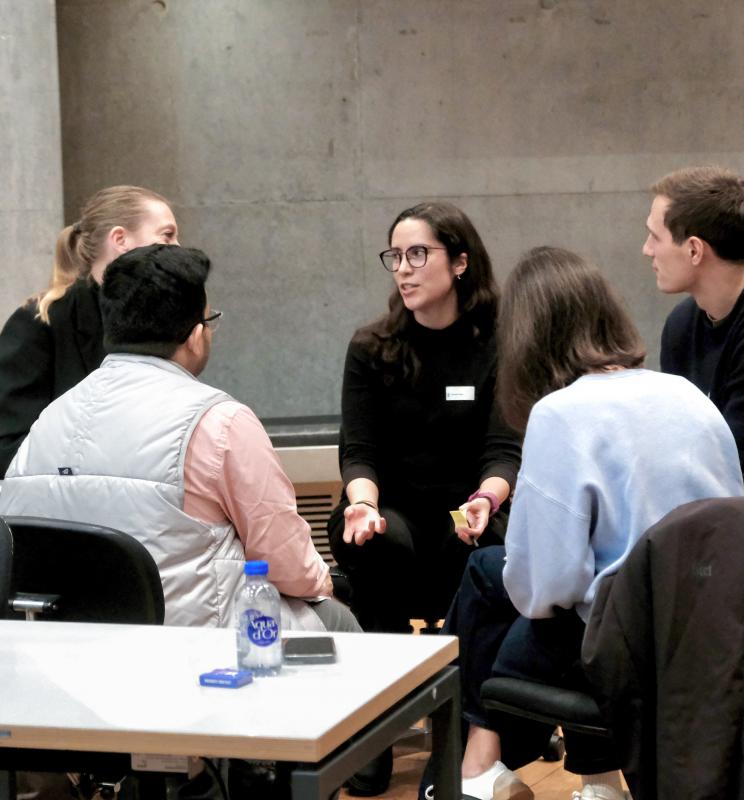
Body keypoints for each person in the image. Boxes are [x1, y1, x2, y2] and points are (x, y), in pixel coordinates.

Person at [434, 247, 744, 800]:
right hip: (718, 634)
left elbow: (544, 590)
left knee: (505, 583)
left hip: (623, 646)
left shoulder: (560, 414)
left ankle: (475, 765)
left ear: (525, 337)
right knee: (501, 573)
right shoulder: (689, 395)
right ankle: (591, 779)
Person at [0, 244, 359, 634]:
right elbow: (288, 565)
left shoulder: (46, 422)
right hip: (198, 649)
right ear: (194, 336)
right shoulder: (220, 422)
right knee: (338, 618)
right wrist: (329, 583)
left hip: (70, 656)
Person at [328, 201, 522, 635]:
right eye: (395, 257)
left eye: (417, 254)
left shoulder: (498, 344)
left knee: (468, 538)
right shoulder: (371, 347)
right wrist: (363, 503)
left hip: (463, 505)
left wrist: (486, 500)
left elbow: (503, 450)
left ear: (459, 262)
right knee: (374, 535)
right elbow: (359, 451)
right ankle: (389, 678)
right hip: (392, 505)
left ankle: (465, 681)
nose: (403, 269)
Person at [0, 184, 179, 477]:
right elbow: (8, 448)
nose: (178, 249)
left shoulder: (157, 322)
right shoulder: (40, 322)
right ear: (120, 239)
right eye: (167, 235)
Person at [643, 165, 744, 470]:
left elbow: (729, 462)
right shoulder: (681, 325)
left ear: (694, 250)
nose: (647, 250)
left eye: (654, 237)